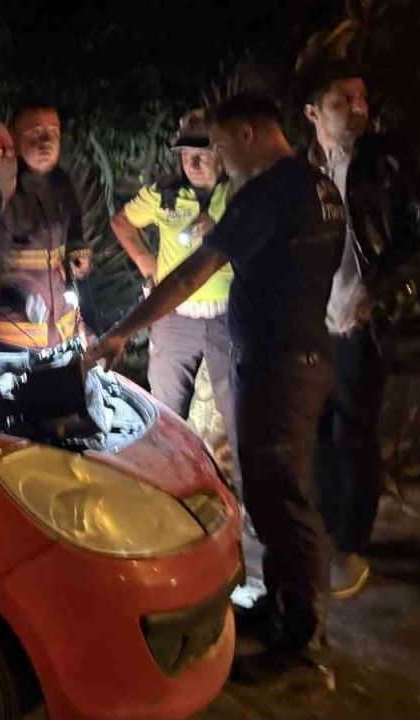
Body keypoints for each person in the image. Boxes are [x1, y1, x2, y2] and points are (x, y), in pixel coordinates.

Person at [85, 93, 345, 680]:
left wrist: (123, 330)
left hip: (279, 364)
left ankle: (301, 642)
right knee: (276, 490)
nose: (220, 160)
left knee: (283, 495)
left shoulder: (266, 193)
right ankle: (281, 609)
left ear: (248, 134)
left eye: (223, 146)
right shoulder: (318, 186)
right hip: (301, 352)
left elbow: (192, 274)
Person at [301, 63, 420, 599]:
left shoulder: (390, 160)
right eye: (343, 100)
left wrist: (385, 289)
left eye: (362, 97)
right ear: (312, 112)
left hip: (360, 323)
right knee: (317, 431)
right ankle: (325, 533)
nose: (359, 108)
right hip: (310, 326)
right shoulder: (300, 171)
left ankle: (351, 547)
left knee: (353, 433)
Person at [111, 108, 238, 477]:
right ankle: (166, 481)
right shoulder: (164, 193)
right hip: (175, 317)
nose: (193, 162)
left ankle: (231, 490)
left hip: (227, 315)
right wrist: (148, 266)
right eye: (185, 154)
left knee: (234, 407)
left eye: (202, 153)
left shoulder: (239, 191)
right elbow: (122, 223)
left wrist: (223, 229)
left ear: (220, 151)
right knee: (165, 408)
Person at [0, 104, 89, 350]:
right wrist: (18, 296)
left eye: (53, 132)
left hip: (60, 332)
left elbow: (73, 232)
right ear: (14, 139)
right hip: (11, 337)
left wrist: (77, 251)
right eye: (35, 133)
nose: (46, 141)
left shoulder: (62, 184)